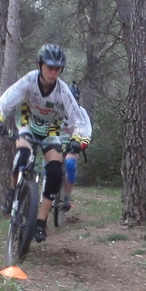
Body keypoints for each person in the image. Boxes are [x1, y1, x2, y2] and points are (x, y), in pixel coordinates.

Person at [0, 44, 92, 242]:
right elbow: (7, 99)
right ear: (40, 65)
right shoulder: (29, 80)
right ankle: (11, 193)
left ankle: (41, 222)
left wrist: (77, 139)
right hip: (27, 124)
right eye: (49, 68)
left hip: (51, 131)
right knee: (23, 155)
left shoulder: (62, 90)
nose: (53, 73)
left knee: (55, 172)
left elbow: (78, 119)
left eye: (57, 69)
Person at [61, 81, 89, 211]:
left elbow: (87, 128)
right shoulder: (57, 109)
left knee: (70, 165)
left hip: (73, 142)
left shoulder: (81, 112)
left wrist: (84, 142)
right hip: (56, 141)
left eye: (75, 99)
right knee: (50, 167)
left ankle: (67, 197)